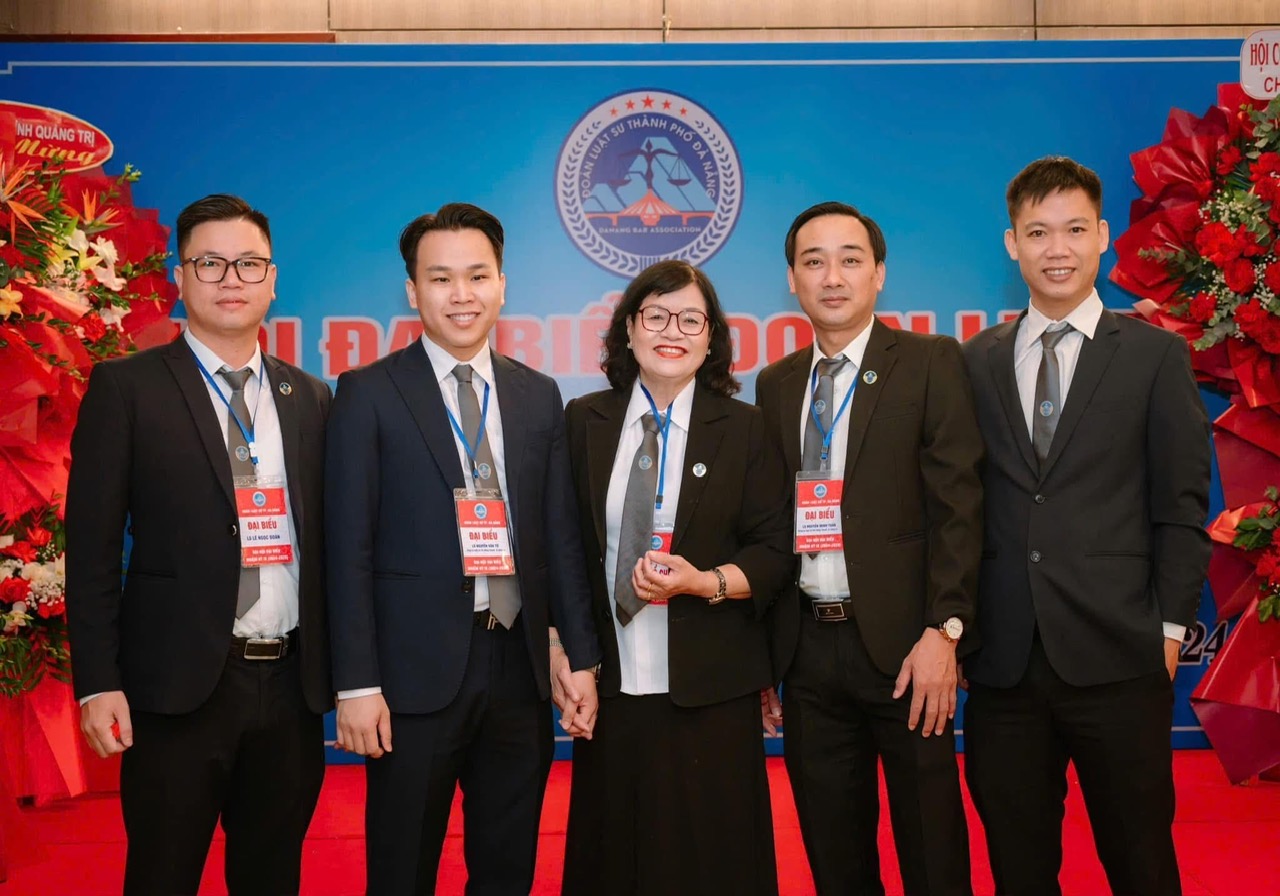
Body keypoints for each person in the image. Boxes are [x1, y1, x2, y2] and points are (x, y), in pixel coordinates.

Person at [325, 202, 601, 894]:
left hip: (518, 671)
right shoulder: (368, 393)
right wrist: (356, 684)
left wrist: (577, 654)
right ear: (413, 291)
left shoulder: (539, 395)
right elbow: (347, 550)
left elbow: (560, 539)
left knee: (507, 867)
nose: (461, 295)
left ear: (502, 285)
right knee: (402, 868)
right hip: (411, 680)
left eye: (477, 276)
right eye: (441, 278)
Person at [66, 194, 332, 895]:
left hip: (291, 688)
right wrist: (97, 681)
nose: (230, 279)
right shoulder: (126, 388)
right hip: (174, 690)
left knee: (271, 877)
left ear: (273, 280)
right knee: (163, 874)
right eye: (209, 263)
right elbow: (91, 551)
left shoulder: (311, 397)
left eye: (248, 264)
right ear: (179, 278)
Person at [961, 156, 1211, 896]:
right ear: (1012, 243)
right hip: (1004, 664)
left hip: (1121, 657)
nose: (1057, 249)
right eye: (1038, 232)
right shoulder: (973, 361)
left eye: (1074, 230)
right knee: (1018, 867)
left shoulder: (1156, 356)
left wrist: (1169, 632)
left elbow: (1181, 506)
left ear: (1102, 236)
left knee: (1140, 862)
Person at [756, 202, 983, 895]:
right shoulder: (776, 384)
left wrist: (945, 630)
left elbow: (960, 506)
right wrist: (766, 654)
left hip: (909, 650)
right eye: (814, 261)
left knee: (932, 849)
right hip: (808, 653)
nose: (833, 277)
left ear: (879, 273)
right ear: (792, 279)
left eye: (850, 260)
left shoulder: (929, 361)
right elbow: (769, 526)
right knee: (835, 854)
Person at [560, 259, 793, 896]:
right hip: (609, 686)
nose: (672, 331)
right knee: (615, 860)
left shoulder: (745, 428)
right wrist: (566, 650)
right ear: (628, 329)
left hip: (711, 686)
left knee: (712, 863)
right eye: (656, 315)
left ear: (711, 337)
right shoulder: (583, 421)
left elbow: (776, 550)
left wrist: (705, 582)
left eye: (691, 319)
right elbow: (567, 549)